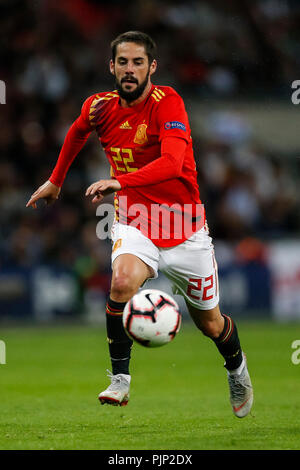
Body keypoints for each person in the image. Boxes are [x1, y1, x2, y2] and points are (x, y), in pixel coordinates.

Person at [26, 31, 253, 417]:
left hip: (185, 227)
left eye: (138, 62)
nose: (130, 70)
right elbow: (77, 131)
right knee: (120, 282)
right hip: (137, 220)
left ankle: (237, 369)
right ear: (111, 67)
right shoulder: (99, 107)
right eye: (123, 62)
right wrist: (56, 180)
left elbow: (172, 163)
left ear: (152, 67)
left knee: (212, 325)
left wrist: (121, 180)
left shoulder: (169, 104)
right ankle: (120, 380)